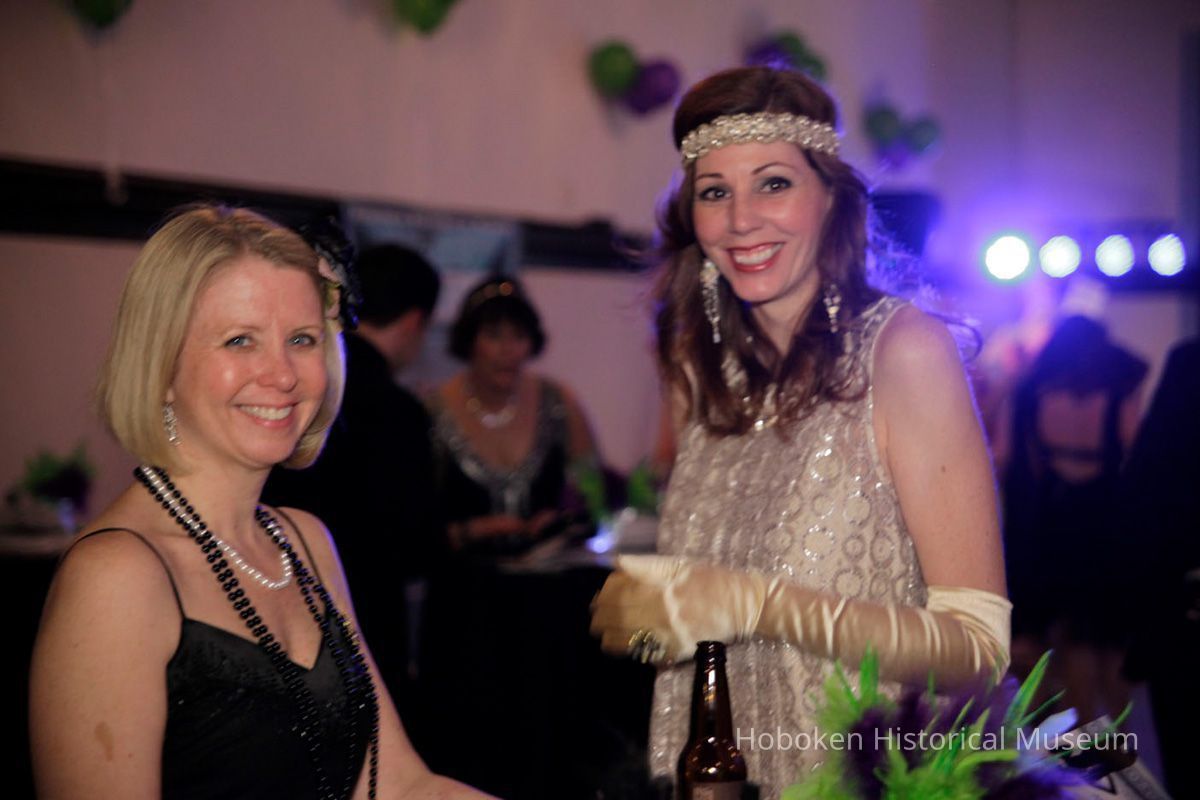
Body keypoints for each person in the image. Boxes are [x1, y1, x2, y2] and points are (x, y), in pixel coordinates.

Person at [589, 66, 1010, 797]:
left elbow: (979, 650)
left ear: (831, 199)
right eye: (714, 191)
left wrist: (761, 605)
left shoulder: (903, 352)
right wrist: (658, 617)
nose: (740, 219)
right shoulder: (696, 367)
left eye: (774, 183)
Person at [29, 205, 490, 799]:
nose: (283, 374)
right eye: (240, 340)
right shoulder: (118, 576)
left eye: (301, 340)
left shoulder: (303, 540)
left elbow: (396, 785)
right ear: (161, 366)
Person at [264, 243, 442, 716]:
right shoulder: (397, 410)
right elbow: (415, 543)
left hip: (276, 600)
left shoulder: (293, 392)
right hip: (364, 618)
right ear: (414, 322)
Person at [1000, 313, 1146, 721]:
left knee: (1064, 636)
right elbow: (1135, 452)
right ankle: (1117, 734)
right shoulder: (1116, 394)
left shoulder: (1035, 393)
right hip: (1105, 515)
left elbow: (1009, 458)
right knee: (1106, 637)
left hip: (1053, 516)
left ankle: (1078, 732)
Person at [427, 274, 597, 555]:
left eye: (519, 336)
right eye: (494, 336)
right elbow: (412, 528)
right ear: (470, 340)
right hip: (460, 577)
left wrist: (563, 520)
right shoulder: (433, 410)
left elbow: (593, 501)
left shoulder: (560, 403)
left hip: (549, 575)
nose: (508, 350)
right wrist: (475, 530)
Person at [1120, 337, 1200, 798]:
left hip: (1175, 620)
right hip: (1174, 616)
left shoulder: (1160, 463)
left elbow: (1143, 528)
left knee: (1182, 752)